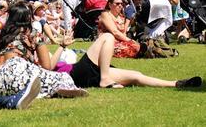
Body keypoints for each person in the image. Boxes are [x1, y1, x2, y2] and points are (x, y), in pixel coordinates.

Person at [0, 1, 86, 98]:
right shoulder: (32, 33)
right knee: (64, 77)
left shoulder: (3, 34)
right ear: (29, 17)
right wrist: (62, 46)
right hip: (16, 71)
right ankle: (56, 89)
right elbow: (48, 67)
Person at [53, 31, 202, 89]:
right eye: (117, 3)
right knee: (107, 37)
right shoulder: (38, 54)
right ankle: (105, 79)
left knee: (135, 75)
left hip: (83, 75)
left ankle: (177, 83)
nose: (120, 5)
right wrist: (62, 45)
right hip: (74, 74)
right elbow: (47, 66)